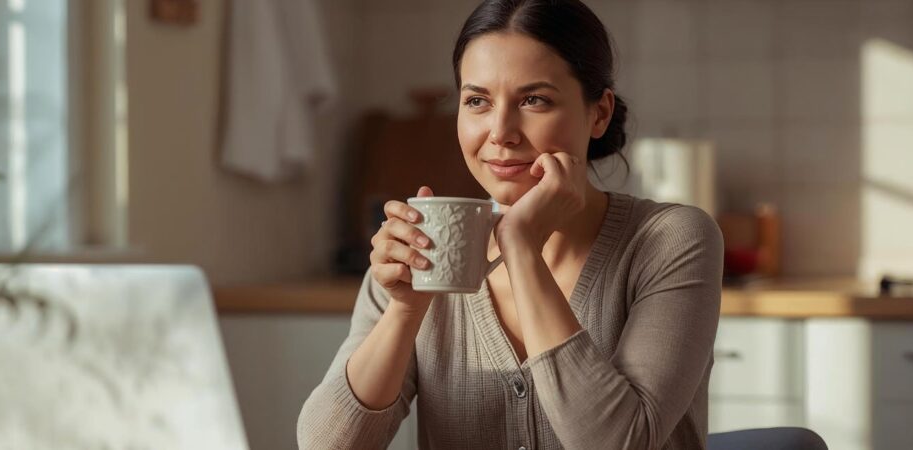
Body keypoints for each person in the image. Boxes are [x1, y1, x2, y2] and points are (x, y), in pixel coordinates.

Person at [298, 1, 723, 448]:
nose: (500, 132)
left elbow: (621, 442)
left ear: (599, 113)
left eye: (534, 100)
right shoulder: (423, 252)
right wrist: (404, 311)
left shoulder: (671, 240)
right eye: (477, 101)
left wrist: (520, 248)